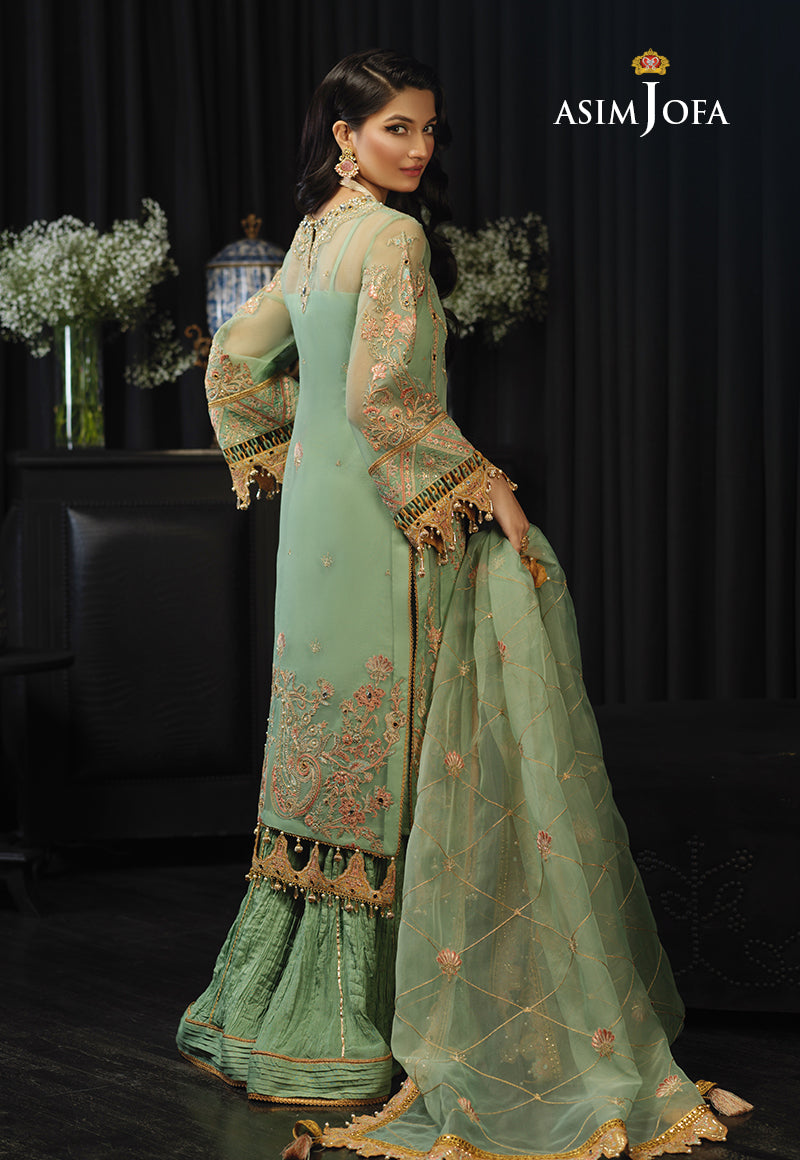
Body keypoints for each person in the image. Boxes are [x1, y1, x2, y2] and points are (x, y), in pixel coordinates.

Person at [177, 49, 749, 1160]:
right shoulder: (392, 237)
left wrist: (307, 450)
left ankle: (286, 1023)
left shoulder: (312, 235)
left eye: (429, 128)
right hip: (388, 530)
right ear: (343, 136)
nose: (419, 147)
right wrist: (483, 485)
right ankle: (406, 1021)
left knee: (329, 752)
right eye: (396, 127)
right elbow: (385, 395)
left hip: (319, 535)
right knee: (409, 744)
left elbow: (235, 364)